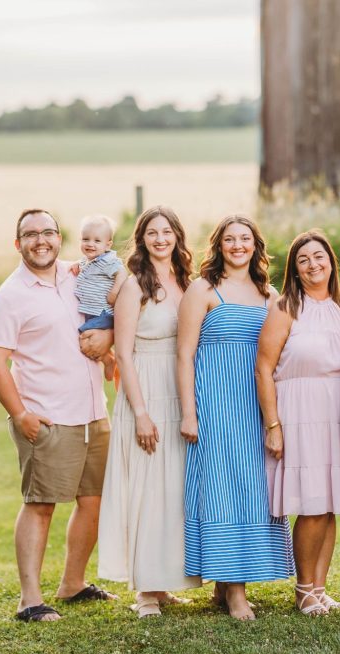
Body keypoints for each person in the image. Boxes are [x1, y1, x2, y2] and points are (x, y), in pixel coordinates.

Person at [0, 209, 118, 623]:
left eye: (48, 233)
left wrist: (109, 344)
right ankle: (30, 600)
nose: (40, 240)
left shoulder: (78, 274)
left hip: (94, 413)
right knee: (40, 505)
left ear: (60, 238)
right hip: (48, 418)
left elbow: (102, 314)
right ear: (17, 243)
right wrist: (20, 414)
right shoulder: (9, 297)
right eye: (30, 235)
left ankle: (72, 584)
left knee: (92, 502)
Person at [177, 214, 295, 621]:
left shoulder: (270, 294)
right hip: (215, 406)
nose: (238, 245)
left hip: (256, 407)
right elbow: (185, 354)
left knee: (253, 489)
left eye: (245, 238)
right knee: (222, 489)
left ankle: (229, 582)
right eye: (230, 239)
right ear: (219, 245)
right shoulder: (203, 289)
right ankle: (235, 593)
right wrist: (189, 412)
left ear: (256, 246)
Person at [97, 206, 201, 618]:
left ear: (178, 236)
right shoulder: (133, 285)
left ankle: (162, 581)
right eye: (152, 233)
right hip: (144, 390)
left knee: (173, 490)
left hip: (180, 392)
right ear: (141, 239)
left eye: (167, 231)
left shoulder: (187, 283)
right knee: (145, 488)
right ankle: (143, 590)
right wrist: (140, 412)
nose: (160, 239)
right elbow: (122, 351)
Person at [255, 231, 340, 617]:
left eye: (319, 256)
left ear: (331, 262)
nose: (313, 264)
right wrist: (273, 424)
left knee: (329, 503)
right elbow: (264, 368)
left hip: (338, 414)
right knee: (312, 503)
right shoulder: (286, 307)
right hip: (299, 412)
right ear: (295, 269)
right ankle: (303, 590)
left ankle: (320, 588)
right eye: (304, 259)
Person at [73, 214, 128, 380]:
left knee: (84, 337)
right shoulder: (88, 261)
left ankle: (108, 360)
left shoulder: (108, 261)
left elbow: (122, 273)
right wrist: (76, 266)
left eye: (97, 241)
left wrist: (114, 291)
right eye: (85, 239)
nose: (90, 244)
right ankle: (107, 356)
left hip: (102, 311)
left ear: (107, 244)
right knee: (89, 336)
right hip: (92, 310)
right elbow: (84, 267)